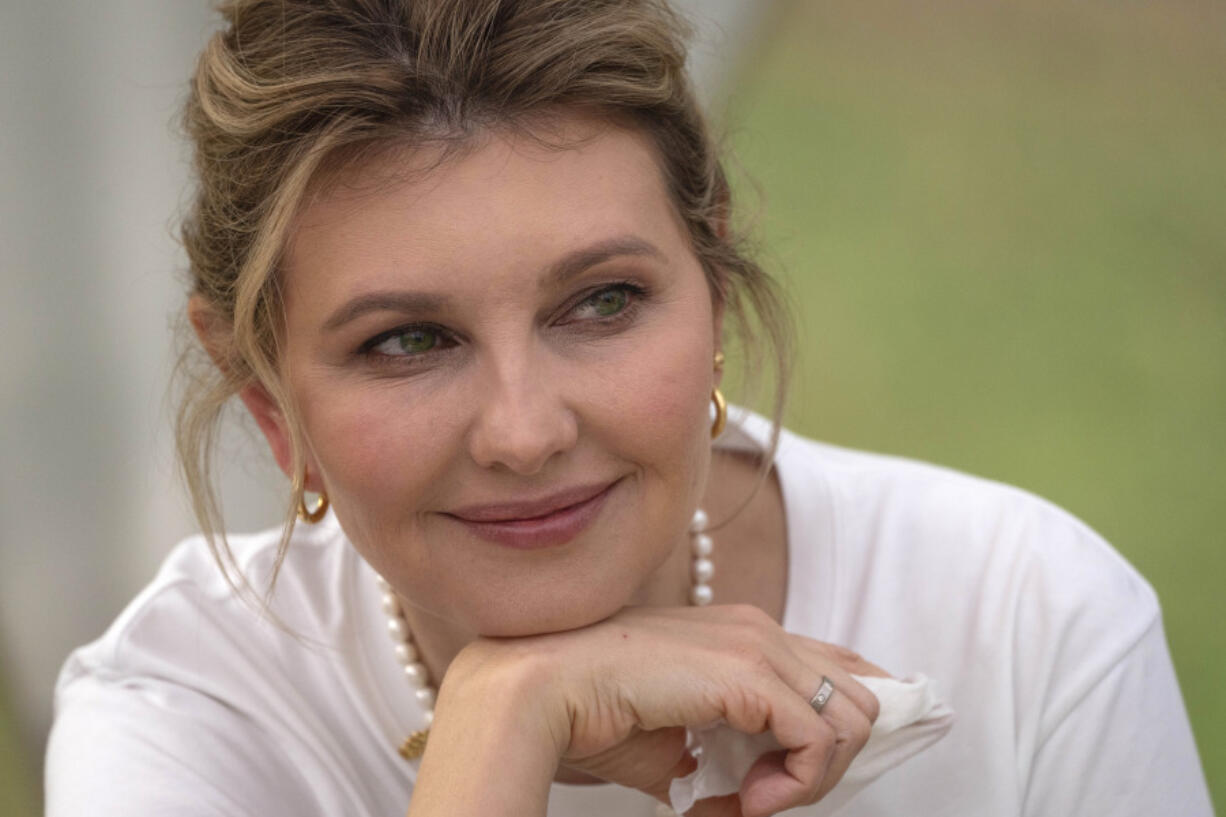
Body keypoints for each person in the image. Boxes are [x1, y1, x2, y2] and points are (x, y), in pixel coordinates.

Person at [46, 1, 1213, 815]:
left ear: (710, 280)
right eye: (406, 341)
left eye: (601, 302)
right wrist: (502, 720)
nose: (524, 429)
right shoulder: (186, 713)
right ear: (267, 397)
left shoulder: (1024, 621)